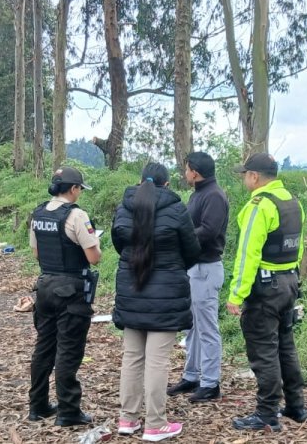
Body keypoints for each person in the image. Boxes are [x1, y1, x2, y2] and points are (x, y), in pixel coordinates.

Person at [113, 162, 201, 442]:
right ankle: (154, 424)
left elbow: (119, 244)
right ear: (167, 184)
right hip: (166, 294)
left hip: (131, 287)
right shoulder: (176, 209)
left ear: (140, 182)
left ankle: (127, 419)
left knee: (132, 357)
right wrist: (173, 266)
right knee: (157, 361)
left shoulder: (125, 207)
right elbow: (192, 250)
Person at [227, 153, 307, 432]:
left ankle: (266, 414)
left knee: (264, 351)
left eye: (244, 175)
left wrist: (237, 294)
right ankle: (296, 406)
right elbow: (297, 248)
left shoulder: (259, 206)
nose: (244, 180)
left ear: (254, 176)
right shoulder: (292, 201)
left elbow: (247, 253)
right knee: (285, 345)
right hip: (289, 282)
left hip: (265, 287)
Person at [27, 167, 102, 427]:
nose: (80, 192)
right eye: (80, 188)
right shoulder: (77, 215)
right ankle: (68, 411)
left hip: (45, 287)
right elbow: (94, 257)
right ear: (73, 189)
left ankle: (37, 406)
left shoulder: (38, 213)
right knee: (68, 351)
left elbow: (36, 254)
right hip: (71, 290)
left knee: (44, 348)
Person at [167, 152, 230, 403]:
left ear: (194, 171)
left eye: (186, 169)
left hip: (206, 268)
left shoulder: (214, 195)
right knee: (191, 327)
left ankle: (211, 383)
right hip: (194, 268)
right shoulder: (198, 194)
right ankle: (192, 376)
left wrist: (182, 238)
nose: (184, 174)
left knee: (207, 329)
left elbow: (210, 231)